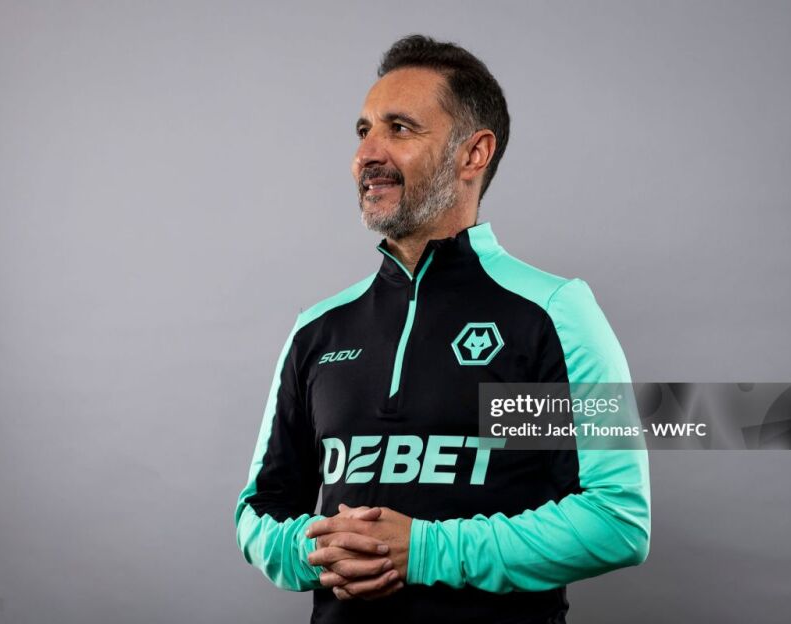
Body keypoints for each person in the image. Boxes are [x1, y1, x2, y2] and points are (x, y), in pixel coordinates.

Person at [235, 34, 651, 624]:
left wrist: (427, 551)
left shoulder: (552, 313)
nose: (366, 155)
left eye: (399, 129)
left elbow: (615, 520)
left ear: (473, 153)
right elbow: (260, 511)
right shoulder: (319, 330)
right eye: (363, 131)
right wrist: (320, 551)